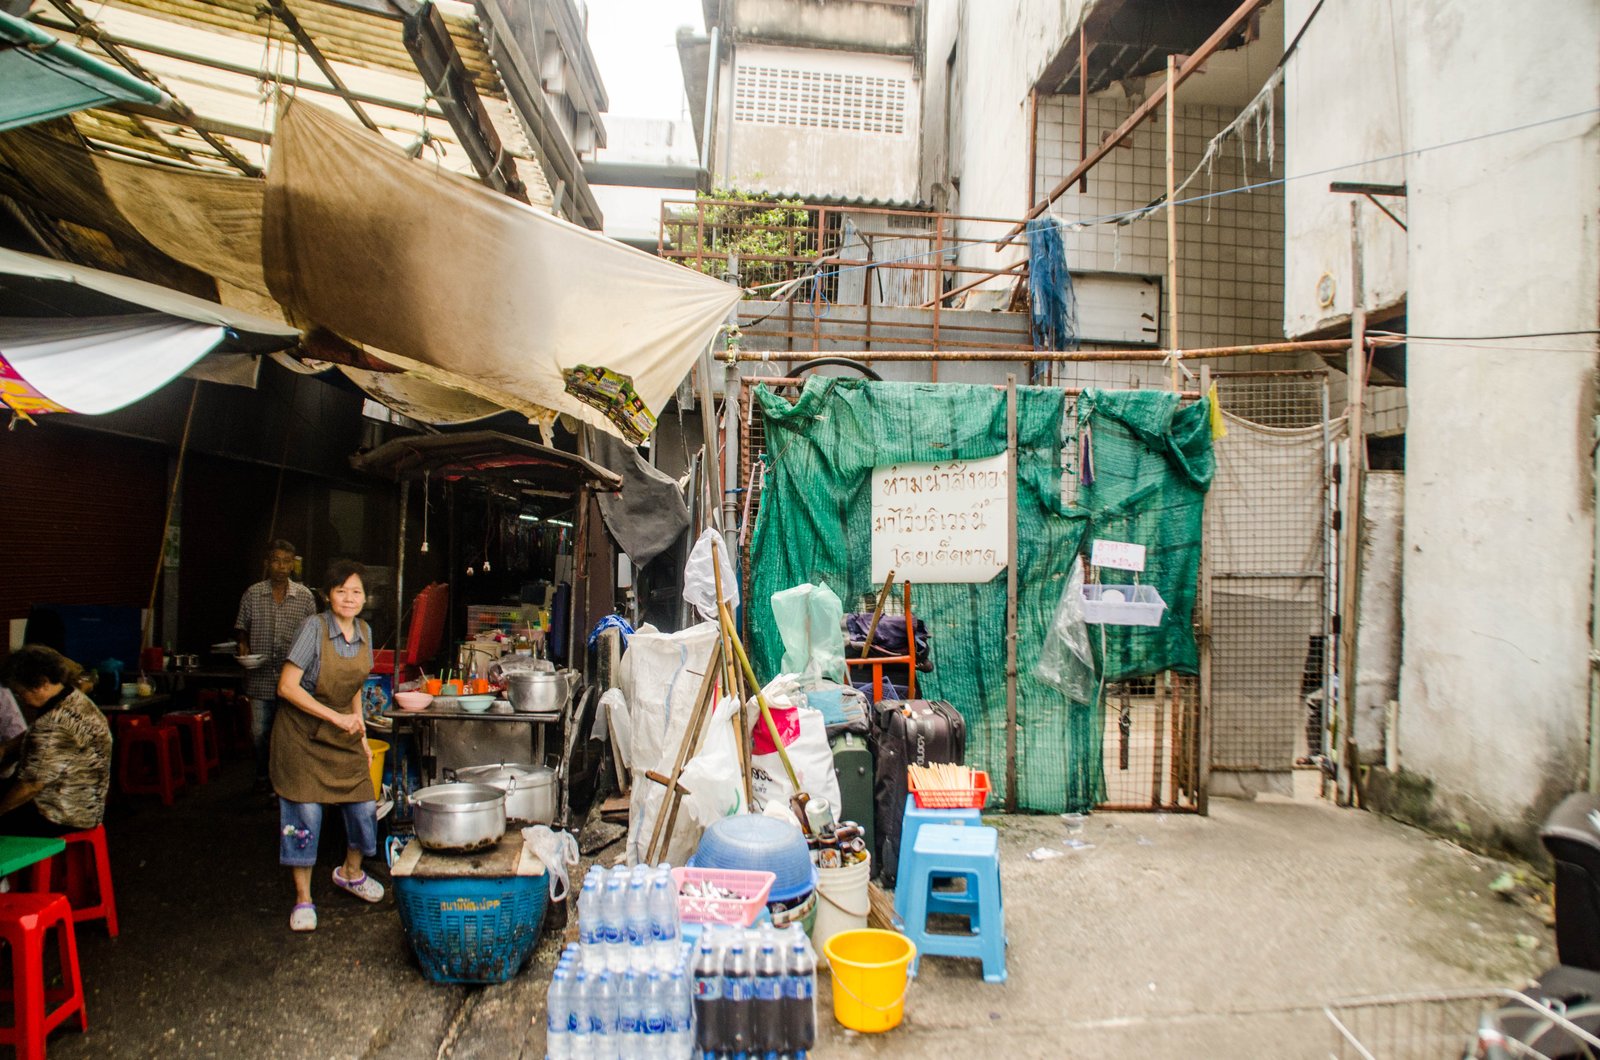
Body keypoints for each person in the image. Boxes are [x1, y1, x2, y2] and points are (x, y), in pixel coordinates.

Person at [272, 560, 383, 932]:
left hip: (344, 735)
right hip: (301, 737)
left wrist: (363, 738)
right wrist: (335, 719)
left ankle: (350, 873)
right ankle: (303, 899)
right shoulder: (313, 629)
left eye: (356, 592)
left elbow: (354, 690)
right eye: (341, 591)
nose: (349, 598)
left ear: (365, 598)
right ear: (327, 595)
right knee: (306, 816)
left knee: (365, 807)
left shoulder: (365, 632)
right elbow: (286, 687)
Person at [0, 646, 112, 837]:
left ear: (42, 683)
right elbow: (35, 736)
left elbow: (30, 786)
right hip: (85, 801)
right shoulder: (72, 697)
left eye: (21, 692)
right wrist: (6, 748)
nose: (21, 699)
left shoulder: (54, 724)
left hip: (61, 813)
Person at [235, 539, 318, 789]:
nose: (281, 566)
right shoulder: (252, 594)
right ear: (267, 563)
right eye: (276, 560)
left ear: (293, 565)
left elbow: (314, 635)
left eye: (286, 561)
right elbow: (242, 629)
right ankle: (263, 776)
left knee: (287, 736)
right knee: (260, 733)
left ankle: (281, 784)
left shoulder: (304, 597)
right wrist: (243, 647)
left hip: (292, 681)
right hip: (259, 678)